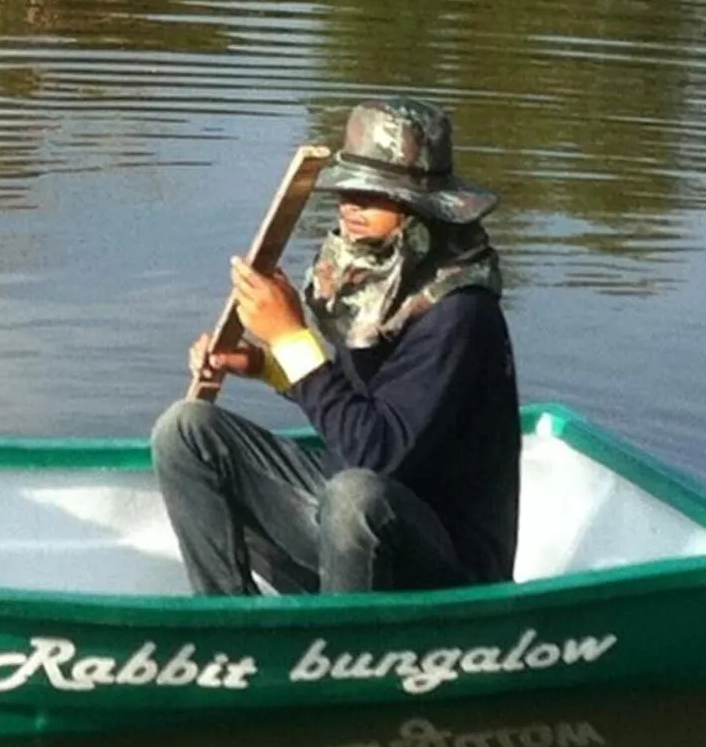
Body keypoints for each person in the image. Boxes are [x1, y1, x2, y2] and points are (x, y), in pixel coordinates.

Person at [151, 97, 519, 596]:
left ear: (418, 208)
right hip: (358, 531)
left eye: (371, 195)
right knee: (186, 430)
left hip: (443, 565)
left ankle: (340, 649)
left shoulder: (459, 312)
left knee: (354, 495)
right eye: (347, 189)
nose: (350, 205)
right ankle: (229, 625)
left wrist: (289, 335)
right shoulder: (377, 283)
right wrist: (266, 362)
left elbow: (377, 452)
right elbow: (353, 401)